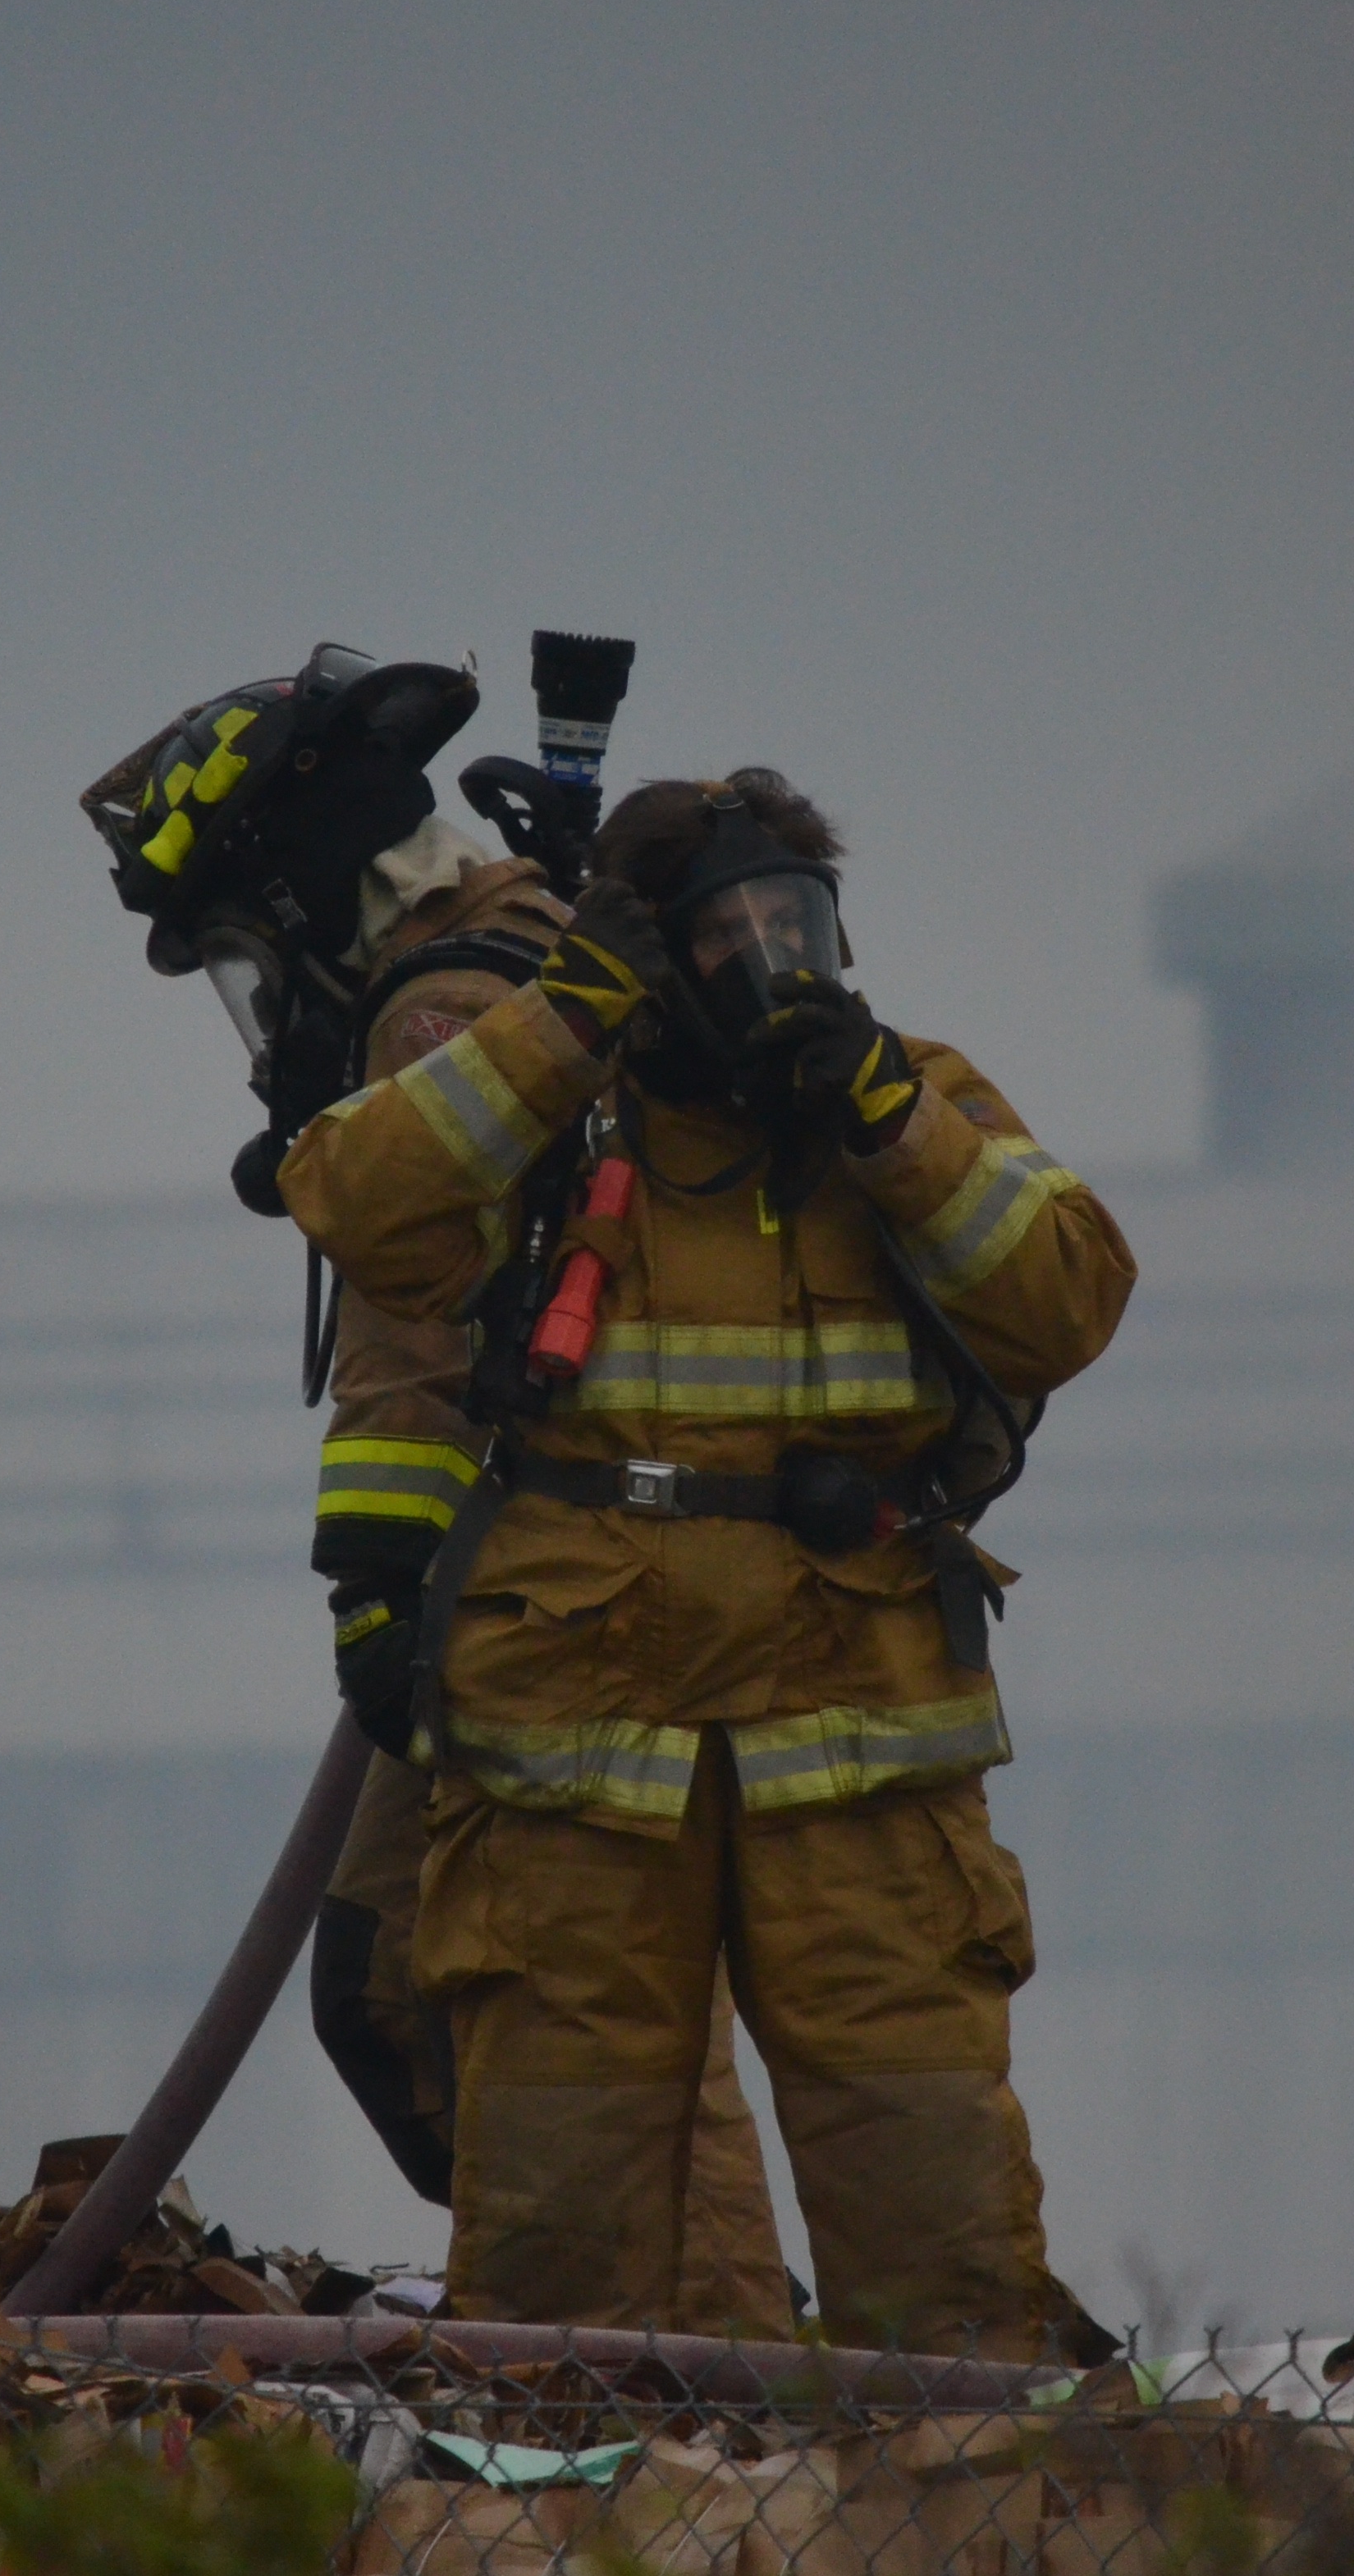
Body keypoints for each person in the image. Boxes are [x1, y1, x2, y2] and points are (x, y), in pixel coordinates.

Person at [279, 767, 1135, 2356]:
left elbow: (1069, 1298)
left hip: (861, 1757)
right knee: (554, 2273)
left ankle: (950, 2528)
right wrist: (564, 1021)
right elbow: (355, 1198)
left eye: (791, 923)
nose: (763, 960)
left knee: (940, 2245)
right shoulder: (558, 1113)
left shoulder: (913, 1096)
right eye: (720, 934)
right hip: (582, 1768)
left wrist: (888, 1122)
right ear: (646, 956)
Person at [297, 808, 792, 2341]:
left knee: (595, 2014)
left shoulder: (438, 1002)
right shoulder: (530, 960)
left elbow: (409, 1319)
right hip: (549, 1598)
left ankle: (705, 2379)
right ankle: (596, 2328)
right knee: (401, 1984)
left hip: (560, 1615)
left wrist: (378, 1586)